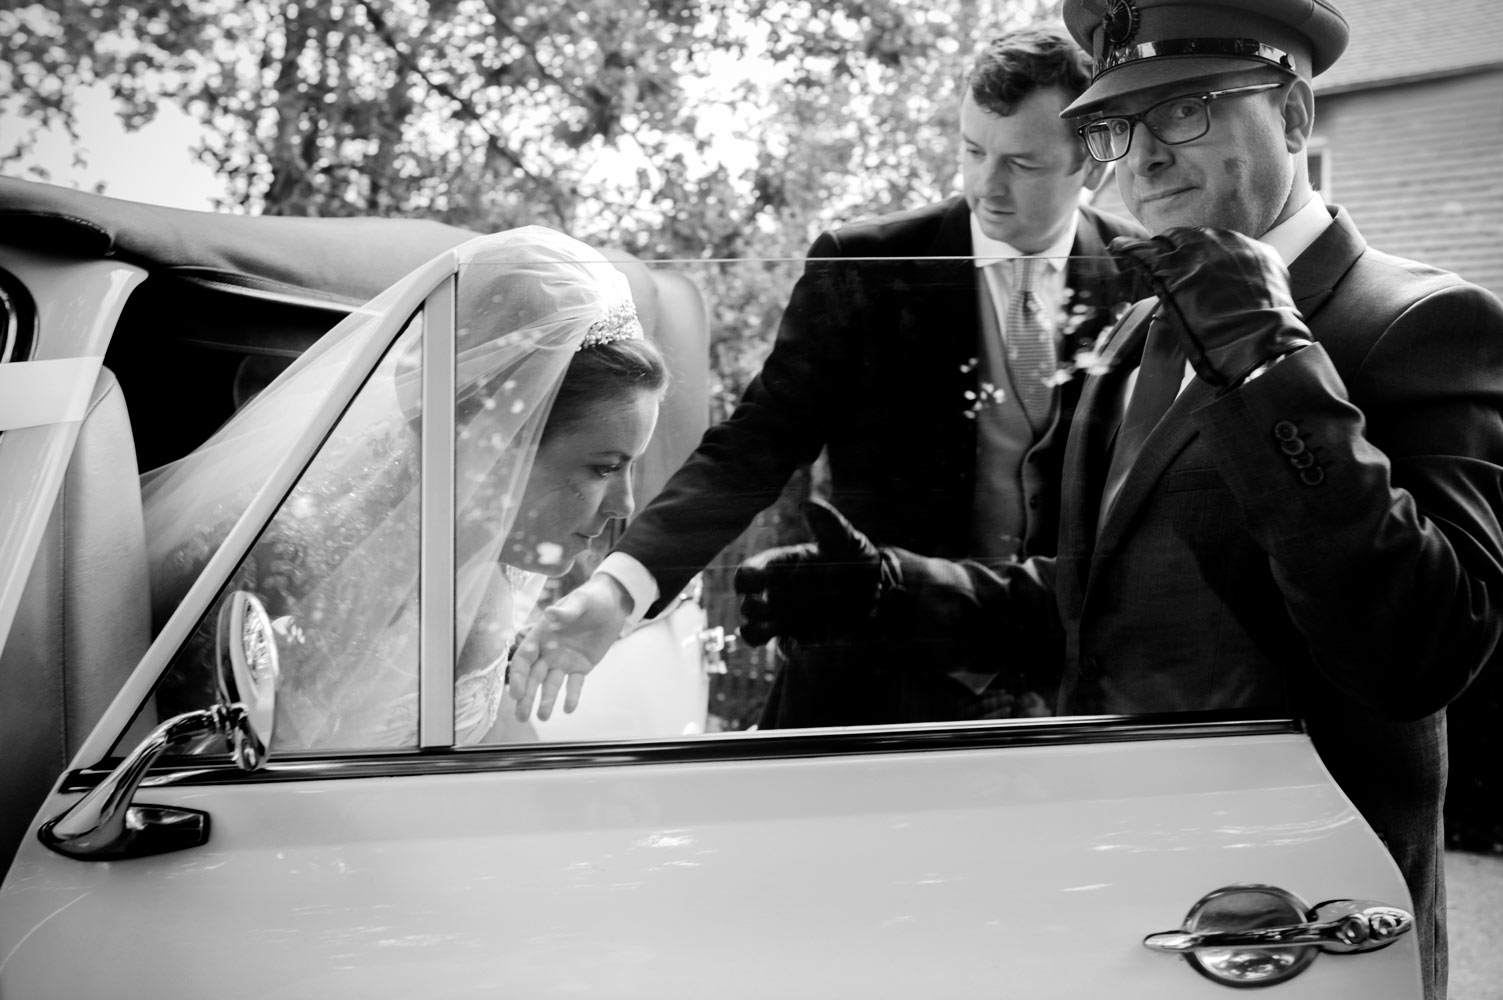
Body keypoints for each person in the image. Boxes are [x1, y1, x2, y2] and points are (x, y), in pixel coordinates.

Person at [726, 1, 1503, 996]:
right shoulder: (1139, 340)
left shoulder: (1421, 321)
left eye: (1184, 111)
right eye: (1113, 126)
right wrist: (892, 591)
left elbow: (1423, 650)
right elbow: (1091, 609)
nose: (1142, 159)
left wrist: (1266, 354)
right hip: (1131, 903)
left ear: (1297, 117)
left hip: (1306, 926)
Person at [509, 24, 1145, 727]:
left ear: (1090, 165)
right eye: (970, 151)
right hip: (866, 686)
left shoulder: (1144, 272)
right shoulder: (864, 263)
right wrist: (619, 589)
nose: (982, 186)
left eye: (1020, 164)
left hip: (1065, 696)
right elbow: (755, 445)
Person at [143, 226, 667, 749]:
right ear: (501, 443)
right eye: (604, 468)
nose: (623, 506)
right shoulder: (291, 568)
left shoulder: (494, 554)